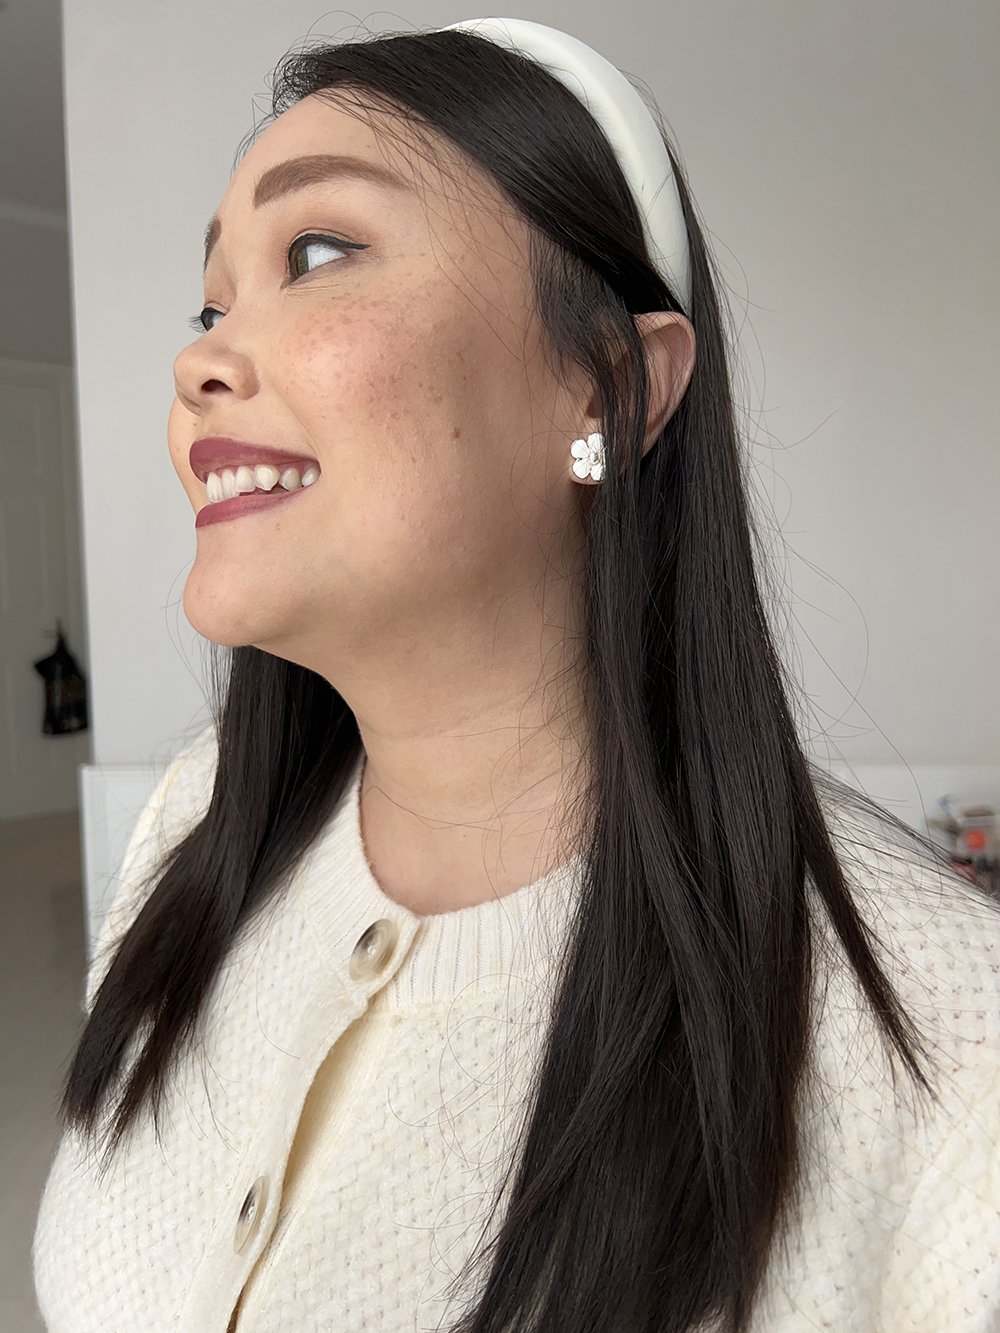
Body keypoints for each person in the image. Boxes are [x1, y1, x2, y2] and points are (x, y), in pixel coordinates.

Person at [33, 19, 1000, 1333]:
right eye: (211, 303)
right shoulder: (188, 825)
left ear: (608, 385)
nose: (196, 361)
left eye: (316, 254)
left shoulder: (951, 1048)